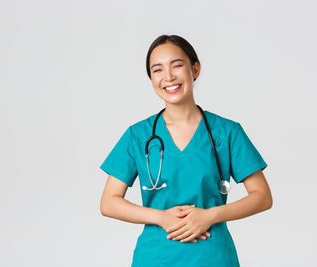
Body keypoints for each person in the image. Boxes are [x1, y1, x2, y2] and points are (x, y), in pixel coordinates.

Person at [99, 34, 273, 266]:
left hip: (213, 256)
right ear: (151, 78)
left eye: (177, 65)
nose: (168, 77)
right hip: (155, 257)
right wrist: (161, 217)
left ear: (195, 69)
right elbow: (109, 202)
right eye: (157, 70)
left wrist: (210, 215)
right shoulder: (138, 136)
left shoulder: (227, 132)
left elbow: (262, 196)